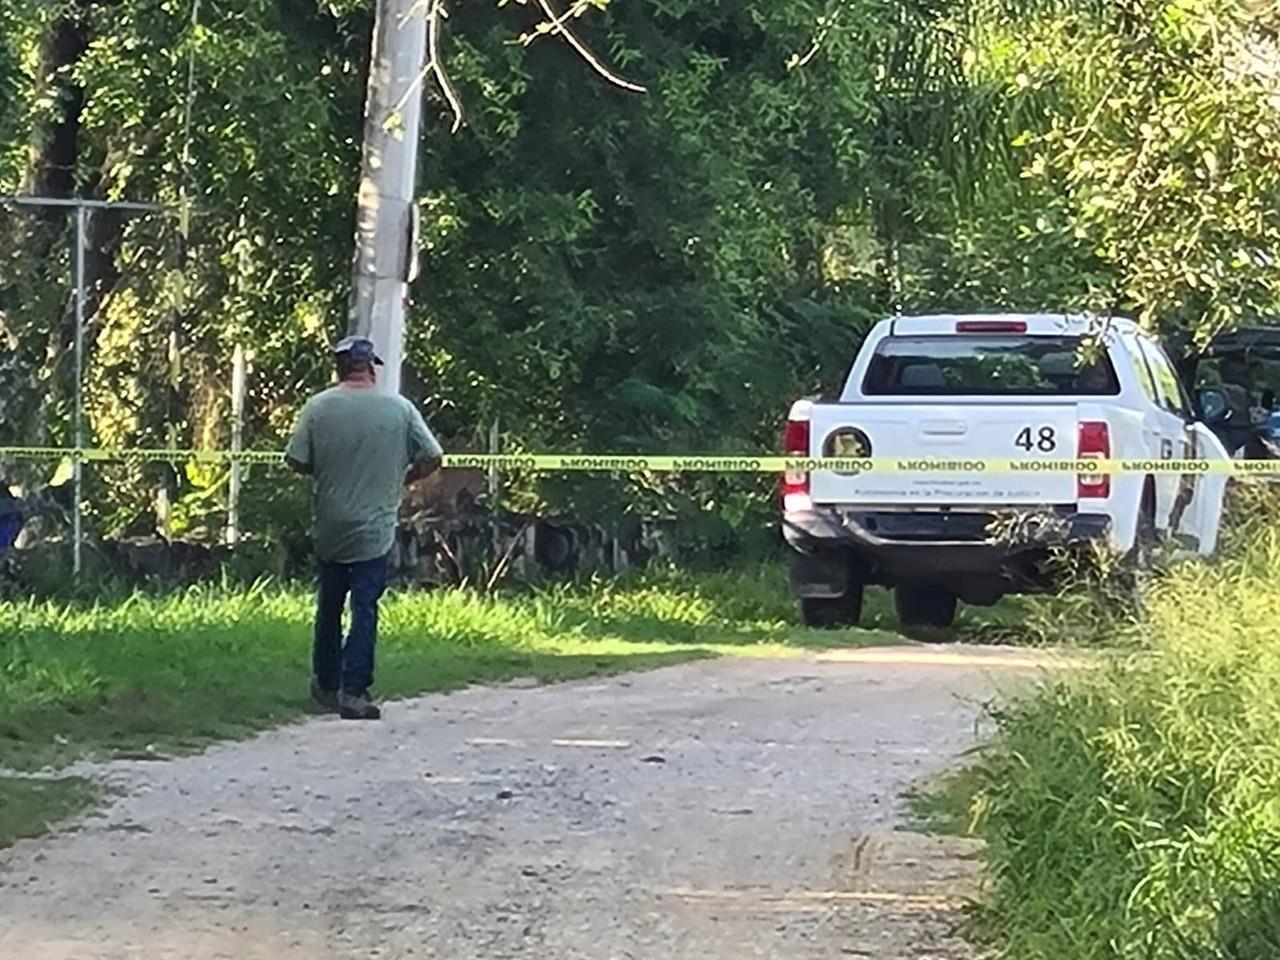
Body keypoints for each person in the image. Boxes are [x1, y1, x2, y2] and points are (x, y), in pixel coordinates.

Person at [285, 337, 443, 720]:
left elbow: (296, 460)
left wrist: (329, 471)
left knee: (330, 605)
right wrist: (404, 478)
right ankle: (355, 690)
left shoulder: (317, 408)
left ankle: (325, 683)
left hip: (331, 524)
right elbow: (432, 456)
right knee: (364, 606)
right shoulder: (399, 408)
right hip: (374, 526)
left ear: (339, 368)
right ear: (370, 367)